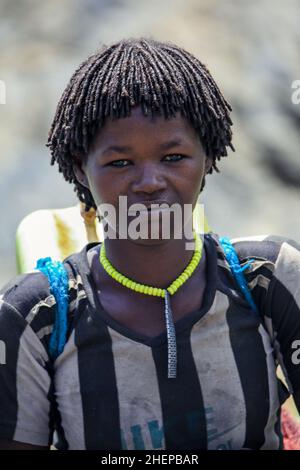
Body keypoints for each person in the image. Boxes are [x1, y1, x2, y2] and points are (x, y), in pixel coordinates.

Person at [0, 37, 299, 451]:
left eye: (173, 157)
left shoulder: (271, 279)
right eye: (120, 162)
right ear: (79, 169)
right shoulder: (33, 317)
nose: (149, 183)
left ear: (209, 155)